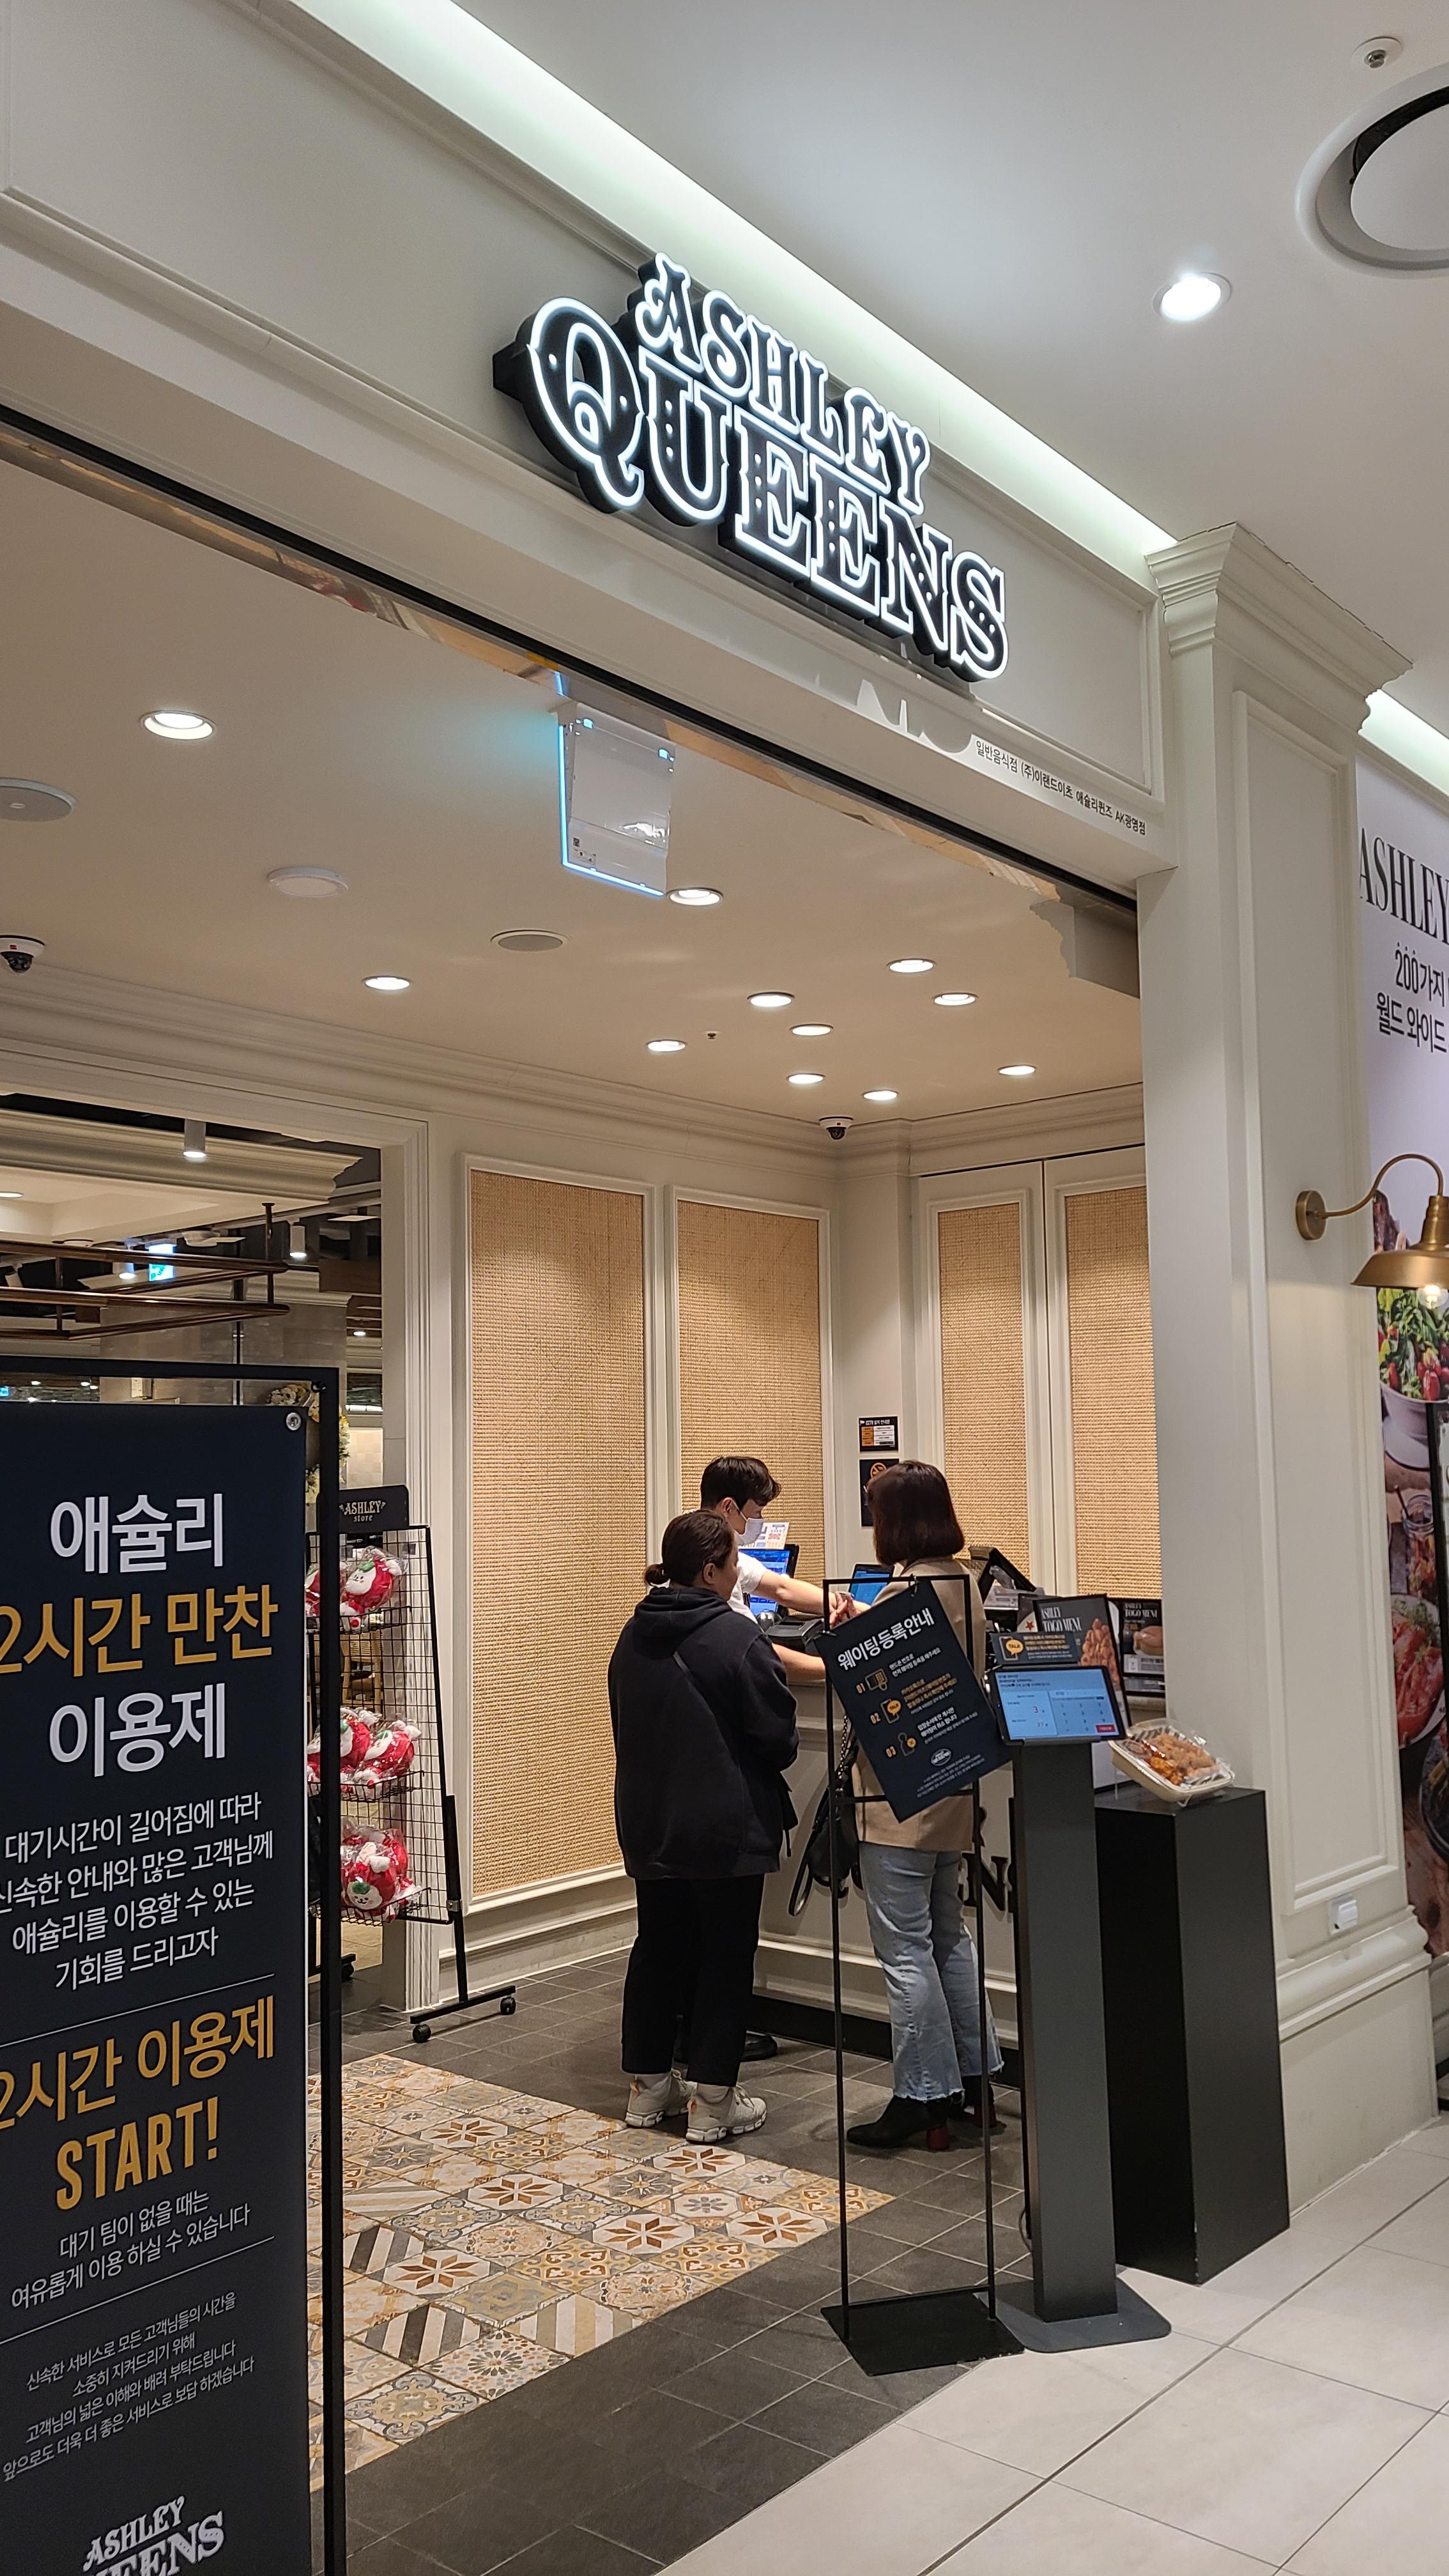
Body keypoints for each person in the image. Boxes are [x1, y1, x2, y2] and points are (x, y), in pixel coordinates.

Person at [610, 1509, 798, 2143]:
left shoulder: (631, 1635)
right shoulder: (736, 1638)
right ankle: (713, 2101)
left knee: (658, 1948)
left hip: (649, 1823)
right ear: (712, 1570)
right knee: (724, 1955)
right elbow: (778, 1738)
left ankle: (647, 2089)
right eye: (733, 1563)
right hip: (724, 1828)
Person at [841, 1459, 1004, 2152]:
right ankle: (976, 2081)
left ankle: (923, 2094)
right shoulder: (964, 1582)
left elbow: (874, 1687)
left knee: (904, 1948)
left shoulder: (904, 1593)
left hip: (896, 1802)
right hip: (951, 1794)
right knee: (949, 1936)